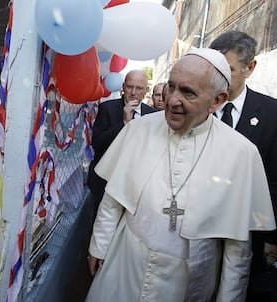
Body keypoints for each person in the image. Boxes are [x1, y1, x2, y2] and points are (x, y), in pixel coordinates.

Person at [85, 48, 276, 301]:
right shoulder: (139, 129)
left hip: (187, 280)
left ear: (217, 101)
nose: (173, 100)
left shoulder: (241, 153)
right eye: (171, 87)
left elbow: (237, 248)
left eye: (187, 92)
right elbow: (113, 198)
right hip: (125, 260)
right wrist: (99, 246)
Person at [209, 30, 277, 301]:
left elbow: (274, 180)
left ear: (250, 68)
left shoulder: (272, 114)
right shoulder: (200, 107)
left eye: (229, 70)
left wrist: (271, 235)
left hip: (250, 232)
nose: (218, 79)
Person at [87, 70, 156, 211]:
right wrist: (124, 123)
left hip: (137, 182)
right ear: (123, 87)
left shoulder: (153, 115)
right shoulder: (107, 108)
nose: (133, 92)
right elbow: (98, 144)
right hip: (107, 179)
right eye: (130, 87)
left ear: (146, 90)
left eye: (139, 88)